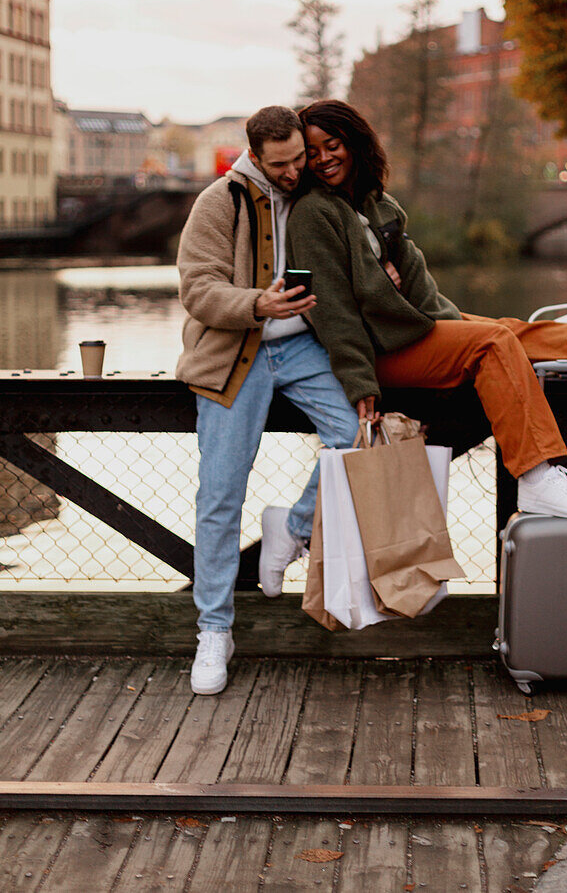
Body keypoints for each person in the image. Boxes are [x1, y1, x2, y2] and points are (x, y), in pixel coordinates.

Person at [286, 99, 567, 520]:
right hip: (372, 352)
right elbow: (333, 309)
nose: (323, 158)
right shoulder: (313, 213)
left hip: (405, 327)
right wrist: (360, 383)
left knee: (512, 331)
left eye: (333, 145)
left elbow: (415, 281)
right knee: (492, 342)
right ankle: (535, 475)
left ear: (355, 143)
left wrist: (446, 319)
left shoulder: (377, 203)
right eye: (313, 151)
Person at [176, 105, 358, 695]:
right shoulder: (219, 200)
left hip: (305, 349)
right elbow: (198, 290)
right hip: (238, 352)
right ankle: (213, 630)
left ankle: (293, 525)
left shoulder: (318, 190)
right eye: (280, 163)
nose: (293, 170)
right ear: (254, 153)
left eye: (299, 158)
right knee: (221, 492)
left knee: (357, 434)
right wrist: (258, 304)